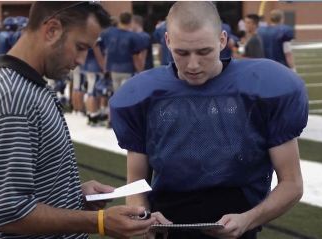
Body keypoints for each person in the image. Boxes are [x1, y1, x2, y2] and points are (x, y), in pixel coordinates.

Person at [0, 2, 169, 239]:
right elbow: (7, 212)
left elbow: (31, 187)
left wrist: (72, 195)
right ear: (52, 29)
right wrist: (100, 222)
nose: (82, 60)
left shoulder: (28, 86)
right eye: (80, 47)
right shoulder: (13, 97)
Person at [110, 2, 308, 239]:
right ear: (168, 41)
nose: (193, 64)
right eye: (182, 53)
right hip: (168, 225)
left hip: (240, 223)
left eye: (204, 51)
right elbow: (137, 183)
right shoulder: (143, 95)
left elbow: (292, 184)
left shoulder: (265, 88)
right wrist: (143, 218)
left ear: (222, 40)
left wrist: (248, 219)